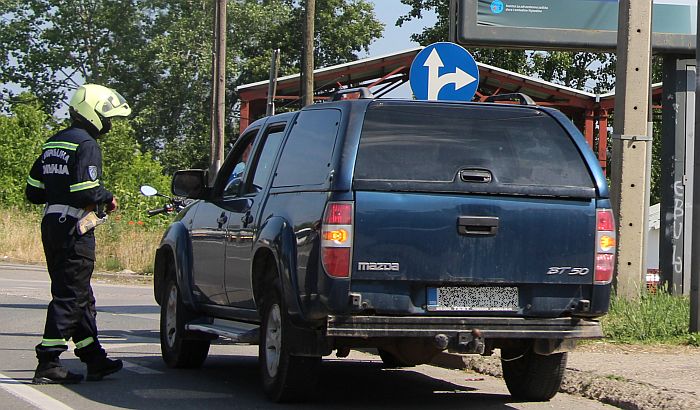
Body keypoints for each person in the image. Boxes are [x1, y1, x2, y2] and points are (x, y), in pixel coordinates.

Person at [25, 84, 131, 384]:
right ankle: (48, 361)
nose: (109, 124)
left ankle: (93, 357)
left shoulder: (53, 143)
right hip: (74, 229)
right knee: (70, 295)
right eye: (106, 117)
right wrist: (107, 197)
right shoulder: (86, 144)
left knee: (80, 294)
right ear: (93, 113)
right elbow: (87, 189)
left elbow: (33, 191)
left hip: (52, 225)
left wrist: (57, 190)